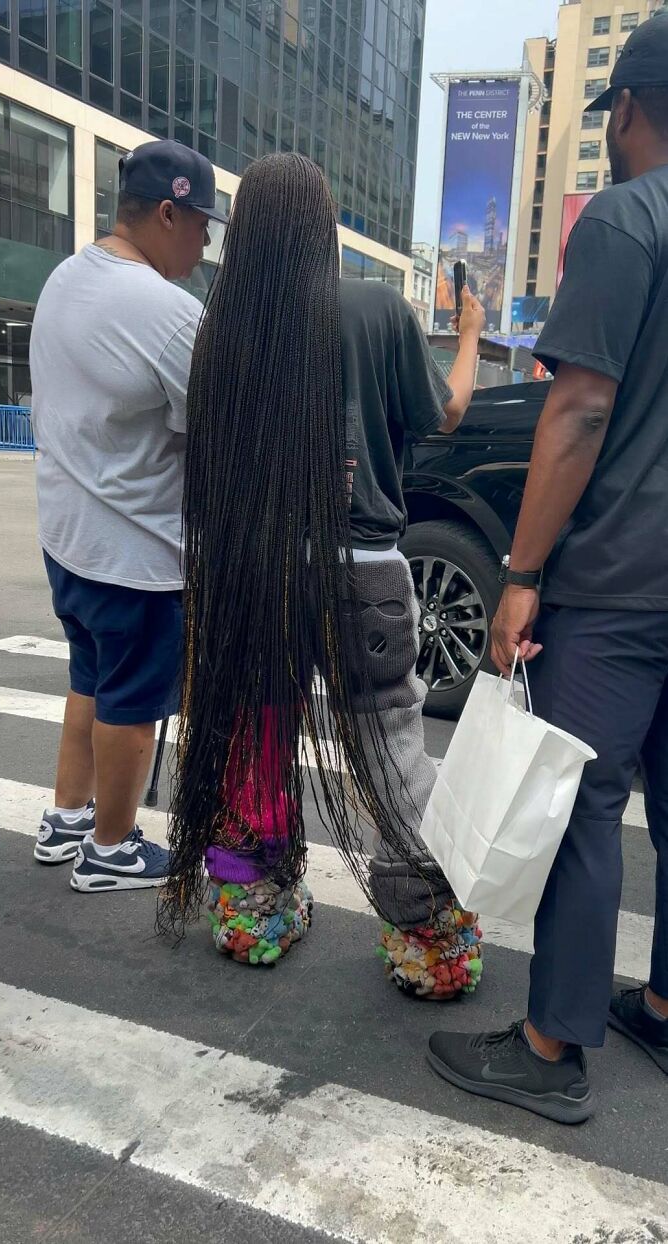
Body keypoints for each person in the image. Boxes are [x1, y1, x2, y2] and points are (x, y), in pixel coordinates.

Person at [157, 152, 486, 1000]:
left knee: (255, 738)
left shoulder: (221, 323)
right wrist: (473, 337)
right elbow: (443, 414)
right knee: (393, 755)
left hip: (254, 576)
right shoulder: (375, 309)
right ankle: (430, 947)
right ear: (321, 226)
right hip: (362, 573)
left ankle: (250, 914)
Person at [427, 12, 668, 1122]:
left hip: (620, 575)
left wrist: (521, 569)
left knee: (577, 801)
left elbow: (576, 406)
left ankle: (551, 1041)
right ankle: (660, 1004)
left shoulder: (625, 218)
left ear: (625, 111)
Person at [30, 139, 226, 893]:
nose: (205, 244)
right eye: (200, 225)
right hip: (134, 550)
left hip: (68, 537)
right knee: (132, 701)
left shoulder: (65, 277)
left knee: (91, 678)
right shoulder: (169, 313)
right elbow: (216, 430)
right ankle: (111, 849)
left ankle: (68, 818)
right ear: (168, 212)